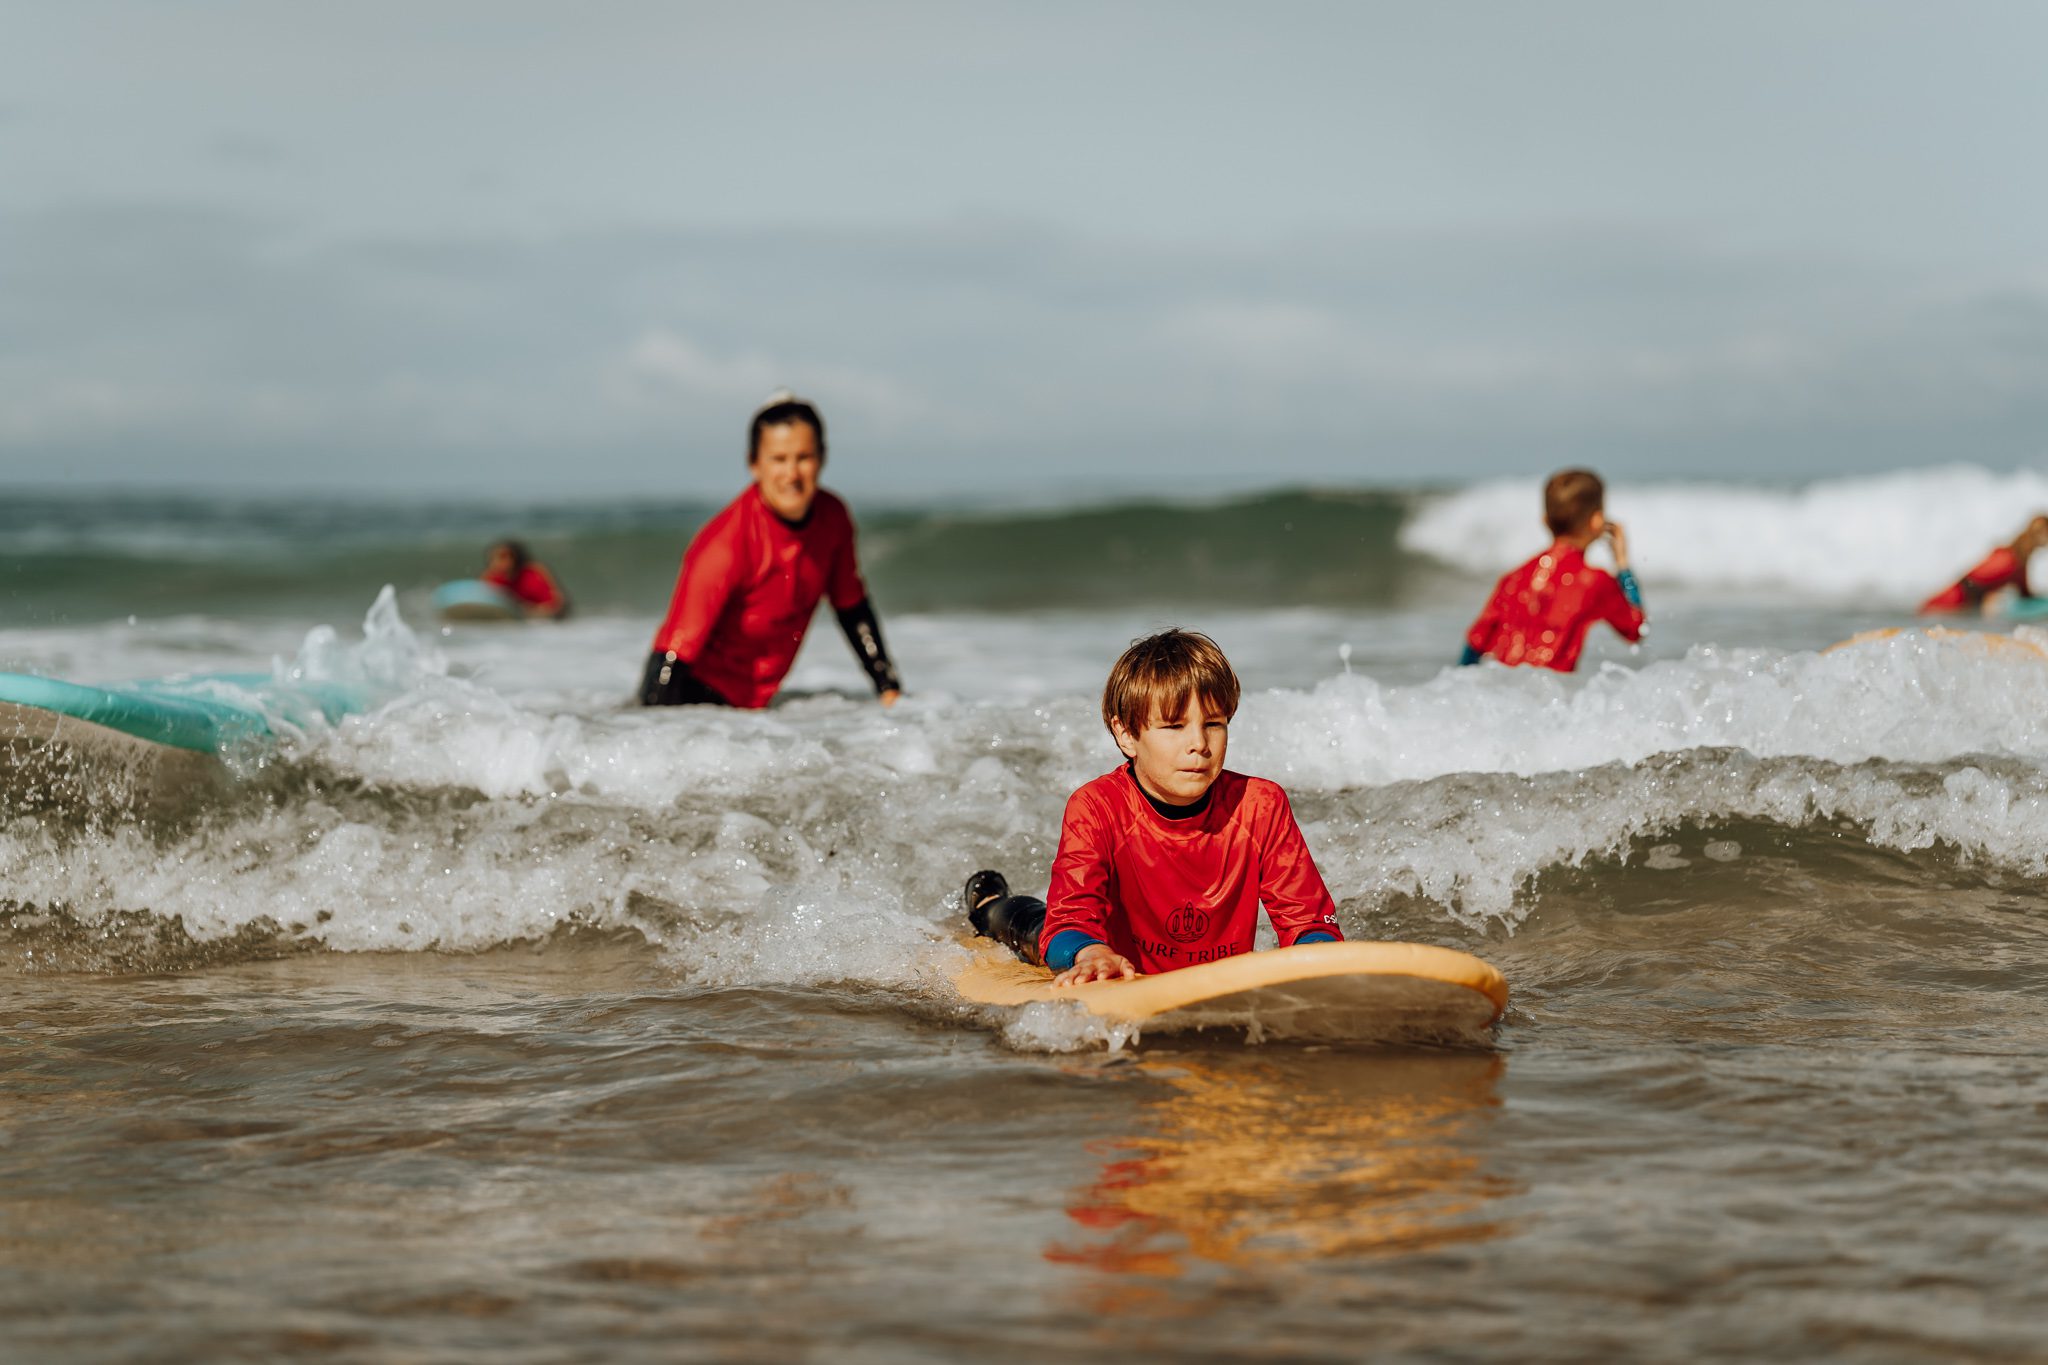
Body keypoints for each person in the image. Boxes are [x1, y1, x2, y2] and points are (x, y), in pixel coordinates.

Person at [964, 628, 1343, 987]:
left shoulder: (1260, 805)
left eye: (1213, 723)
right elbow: (1072, 916)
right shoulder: (1098, 807)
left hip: (1203, 979)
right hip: (1105, 958)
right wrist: (1090, 952)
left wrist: (1320, 957)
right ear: (1127, 734)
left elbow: (1309, 921)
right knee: (1037, 929)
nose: (1199, 743)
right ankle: (990, 904)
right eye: (1174, 726)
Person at [640, 392, 902, 709]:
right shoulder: (726, 544)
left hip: (755, 712)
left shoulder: (833, 518)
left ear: (822, 457)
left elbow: (851, 607)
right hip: (697, 706)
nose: (792, 474)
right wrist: (655, 736)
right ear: (754, 463)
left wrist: (889, 688)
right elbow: (674, 655)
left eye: (803, 457)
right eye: (778, 459)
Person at [1460, 468, 1645, 672]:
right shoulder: (1592, 581)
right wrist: (1623, 565)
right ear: (1597, 521)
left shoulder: (1512, 579)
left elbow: (1475, 645)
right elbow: (1636, 628)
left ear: (1545, 521)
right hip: (1549, 697)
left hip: (1504, 694)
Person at [1919, 516, 2048, 614]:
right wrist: (1986, 599)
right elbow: (1970, 582)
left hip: (1964, 604)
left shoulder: (2020, 564)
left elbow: (2026, 596)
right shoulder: (2007, 559)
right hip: (1951, 601)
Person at [482, 540, 569, 618]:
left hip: (548, 621)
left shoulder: (534, 572)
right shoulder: (492, 576)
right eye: (493, 558)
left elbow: (558, 602)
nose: (496, 562)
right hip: (519, 618)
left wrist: (534, 610)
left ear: (515, 558)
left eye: (503, 557)